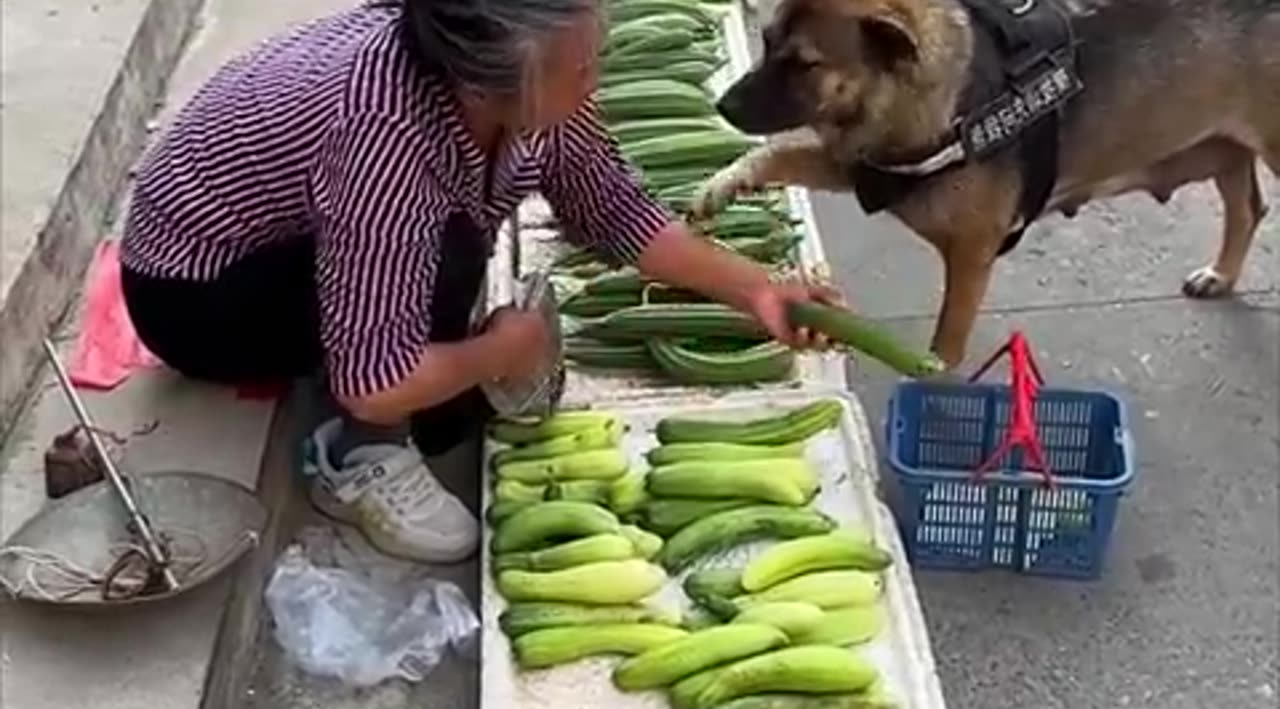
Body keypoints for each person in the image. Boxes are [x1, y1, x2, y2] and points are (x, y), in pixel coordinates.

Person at [118, 0, 840, 564]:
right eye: (581, 68)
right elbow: (372, 380)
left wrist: (757, 288)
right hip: (200, 293)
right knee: (447, 255)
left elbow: (608, 204)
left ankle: (432, 374)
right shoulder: (387, 141)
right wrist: (502, 350)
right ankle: (359, 458)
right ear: (489, 84)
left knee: (448, 302)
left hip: (286, 234)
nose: (597, 75)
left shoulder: (512, 78)